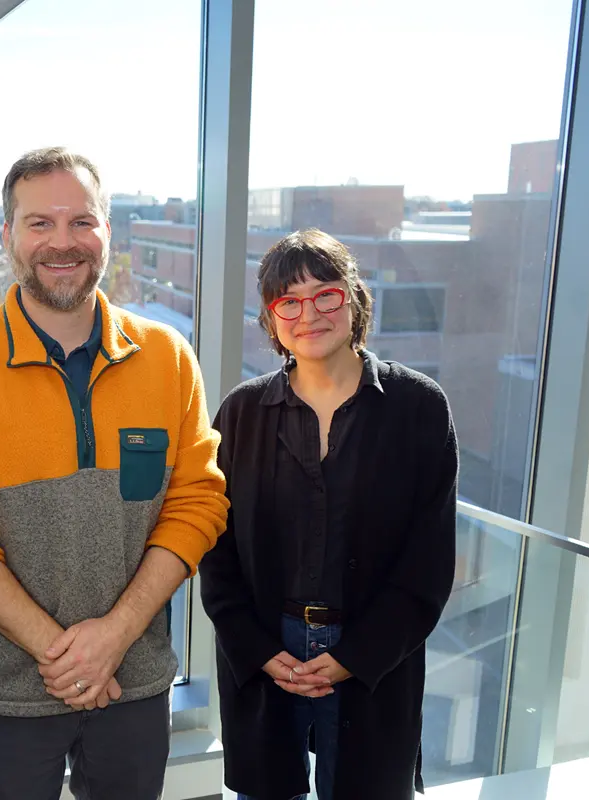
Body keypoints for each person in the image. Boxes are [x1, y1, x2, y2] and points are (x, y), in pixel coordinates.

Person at [0, 147, 229, 800]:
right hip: (3, 699)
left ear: (108, 230)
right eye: (40, 223)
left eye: (81, 221)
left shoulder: (167, 357)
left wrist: (115, 636)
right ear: (8, 235)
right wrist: (65, 654)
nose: (62, 242)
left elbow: (197, 502)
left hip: (133, 685)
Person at [199, 229, 458, 800]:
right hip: (269, 648)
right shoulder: (241, 413)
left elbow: (429, 563)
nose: (309, 314)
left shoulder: (418, 407)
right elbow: (217, 551)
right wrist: (258, 651)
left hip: (375, 652)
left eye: (326, 294)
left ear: (354, 299)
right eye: (288, 301)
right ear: (271, 319)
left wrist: (354, 657)